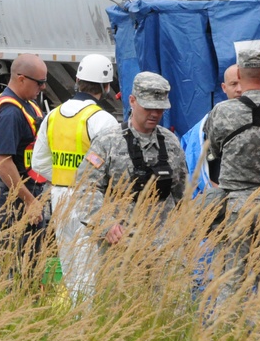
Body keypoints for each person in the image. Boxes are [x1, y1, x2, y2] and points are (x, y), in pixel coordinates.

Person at [202, 40, 260, 313]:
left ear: (239, 76)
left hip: (234, 205)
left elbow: (213, 150)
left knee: (231, 274)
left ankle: (226, 334)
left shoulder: (221, 112)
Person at [32, 53, 121, 301]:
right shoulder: (102, 119)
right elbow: (116, 168)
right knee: (91, 268)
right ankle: (87, 326)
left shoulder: (52, 116)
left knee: (70, 266)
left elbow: (38, 162)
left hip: (59, 197)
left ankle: (75, 319)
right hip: (90, 201)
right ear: (105, 86)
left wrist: (64, 178)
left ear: (77, 80)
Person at [73, 71, 186, 253]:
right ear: (132, 101)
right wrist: (105, 224)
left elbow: (182, 192)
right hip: (121, 248)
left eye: (160, 109)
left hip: (165, 248)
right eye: (148, 107)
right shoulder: (107, 142)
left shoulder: (171, 142)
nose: (155, 114)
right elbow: (86, 189)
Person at [0, 53, 49, 279]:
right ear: (21, 78)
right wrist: (30, 201)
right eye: (39, 82)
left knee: (29, 264)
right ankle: (11, 307)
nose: (43, 87)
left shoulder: (27, 105)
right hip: (15, 199)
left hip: (25, 195)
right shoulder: (10, 113)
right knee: (15, 267)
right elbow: (2, 163)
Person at [181, 64, 242, 198]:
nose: (239, 89)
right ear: (224, 88)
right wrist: (222, 196)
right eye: (234, 84)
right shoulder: (206, 125)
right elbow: (197, 167)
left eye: (243, 83)